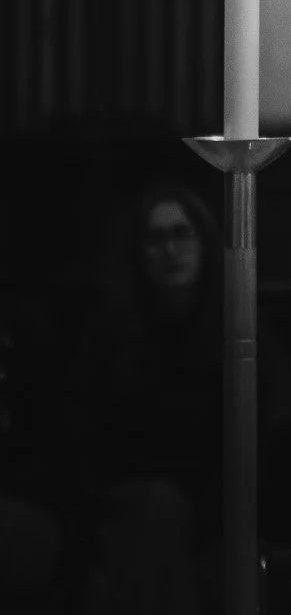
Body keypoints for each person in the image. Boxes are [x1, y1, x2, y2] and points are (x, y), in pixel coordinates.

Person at [75, 184, 221, 615]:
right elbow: (87, 435)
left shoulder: (236, 328)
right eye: (156, 238)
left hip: (217, 505)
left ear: (204, 242)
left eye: (182, 234)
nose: (170, 250)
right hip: (130, 502)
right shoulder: (109, 334)